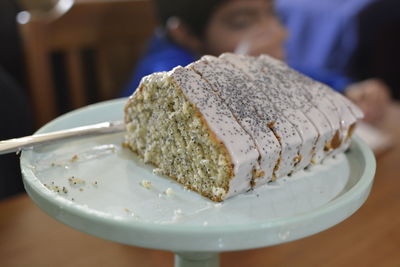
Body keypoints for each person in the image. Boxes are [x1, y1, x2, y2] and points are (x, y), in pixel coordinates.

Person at [122, 0, 287, 96]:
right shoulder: (165, 75)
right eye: (241, 22)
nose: (279, 32)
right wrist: (239, 75)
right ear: (184, 33)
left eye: (273, 14)